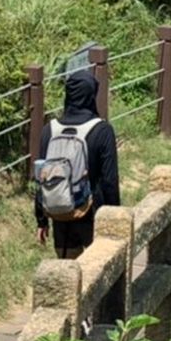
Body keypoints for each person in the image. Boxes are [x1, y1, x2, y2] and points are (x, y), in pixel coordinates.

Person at [34, 55, 121, 262]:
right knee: (97, 277)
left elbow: (40, 176)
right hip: (94, 216)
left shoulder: (50, 130)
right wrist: (117, 220)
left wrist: (41, 220)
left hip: (60, 214)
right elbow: (109, 181)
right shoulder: (102, 130)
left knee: (68, 275)